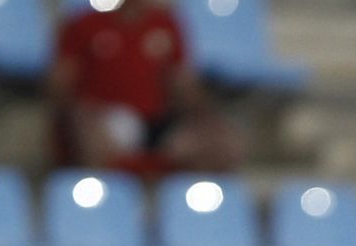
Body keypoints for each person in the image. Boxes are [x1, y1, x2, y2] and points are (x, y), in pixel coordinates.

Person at [49, 0, 239, 176]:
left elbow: (182, 84)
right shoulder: (85, 24)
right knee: (94, 136)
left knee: (221, 144)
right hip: (111, 120)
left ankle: (193, 208)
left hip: (157, 122)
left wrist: (206, 120)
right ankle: (105, 204)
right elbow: (61, 84)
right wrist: (80, 113)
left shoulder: (165, 25)